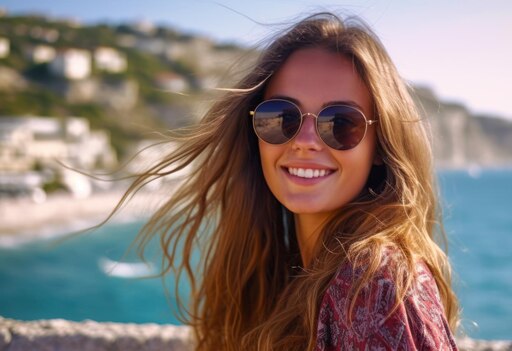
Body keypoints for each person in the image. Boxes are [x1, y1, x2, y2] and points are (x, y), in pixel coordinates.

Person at [123, 12, 459, 351]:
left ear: (380, 146)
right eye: (281, 116)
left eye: (341, 122)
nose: (305, 140)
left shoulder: (375, 285)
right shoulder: (290, 278)